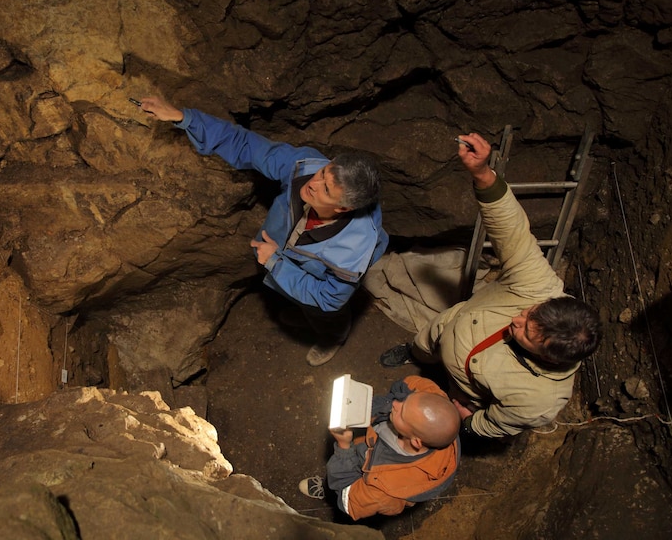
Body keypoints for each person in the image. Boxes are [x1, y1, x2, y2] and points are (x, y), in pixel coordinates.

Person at [379, 133, 603, 439]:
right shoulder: (540, 286)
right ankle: (415, 353)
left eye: (526, 332)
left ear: (548, 357)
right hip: (447, 326)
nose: (516, 320)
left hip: (463, 388)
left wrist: (467, 423)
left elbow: (497, 423)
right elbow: (512, 232)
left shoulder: (538, 401)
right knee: (424, 341)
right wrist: (483, 174)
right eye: (530, 312)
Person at [138, 96, 389, 366]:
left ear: (343, 209)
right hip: (287, 252)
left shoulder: (352, 251)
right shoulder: (305, 168)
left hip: (317, 277)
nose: (313, 183)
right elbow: (246, 144)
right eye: (324, 173)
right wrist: (183, 117)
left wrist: (275, 261)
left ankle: (331, 336)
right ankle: (303, 310)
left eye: (326, 189)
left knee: (323, 311)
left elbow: (328, 298)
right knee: (296, 293)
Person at [299, 375, 460, 519]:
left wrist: (344, 447)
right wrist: (366, 410)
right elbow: (406, 384)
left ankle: (328, 491)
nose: (395, 404)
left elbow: (349, 502)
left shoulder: (385, 491)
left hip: (359, 477)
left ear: (416, 442)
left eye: (402, 413)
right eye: (405, 401)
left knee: (337, 488)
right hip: (369, 442)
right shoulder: (432, 399)